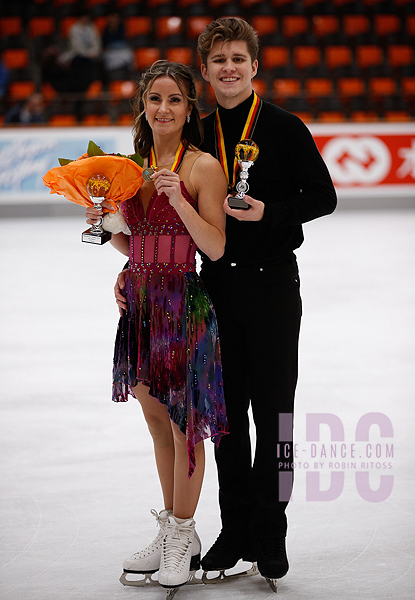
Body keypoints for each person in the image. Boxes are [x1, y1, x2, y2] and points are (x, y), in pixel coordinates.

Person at [114, 17, 337, 586]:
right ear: (207, 72)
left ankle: (273, 530)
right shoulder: (201, 132)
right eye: (218, 61)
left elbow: (324, 197)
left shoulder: (285, 128)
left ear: (254, 65)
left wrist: (271, 212)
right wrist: (131, 265)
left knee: (277, 419)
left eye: (239, 58)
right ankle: (234, 530)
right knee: (224, 421)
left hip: (270, 288)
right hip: (213, 295)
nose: (229, 68)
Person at [85, 60, 228, 590]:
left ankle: (185, 529)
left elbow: (214, 245)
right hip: (139, 304)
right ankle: (174, 526)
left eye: (174, 100)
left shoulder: (202, 167)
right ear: (142, 107)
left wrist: (177, 200)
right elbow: (136, 241)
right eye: (154, 100)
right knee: (154, 420)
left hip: (181, 306)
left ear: (190, 108)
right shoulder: (129, 166)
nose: (163, 109)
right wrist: (106, 227)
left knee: (184, 425)